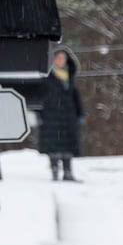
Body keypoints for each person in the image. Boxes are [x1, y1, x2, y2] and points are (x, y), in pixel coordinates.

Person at [38, 48, 83, 182]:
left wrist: (80, 114)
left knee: (68, 147)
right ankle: (55, 171)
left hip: (68, 117)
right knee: (54, 147)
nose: (60, 61)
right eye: (58, 58)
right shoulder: (46, 78)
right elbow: (39, 97)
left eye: (63, 58)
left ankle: (68, 172)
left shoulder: (69, 77)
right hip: (50, 117)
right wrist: (38, 114)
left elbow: (76, 98)